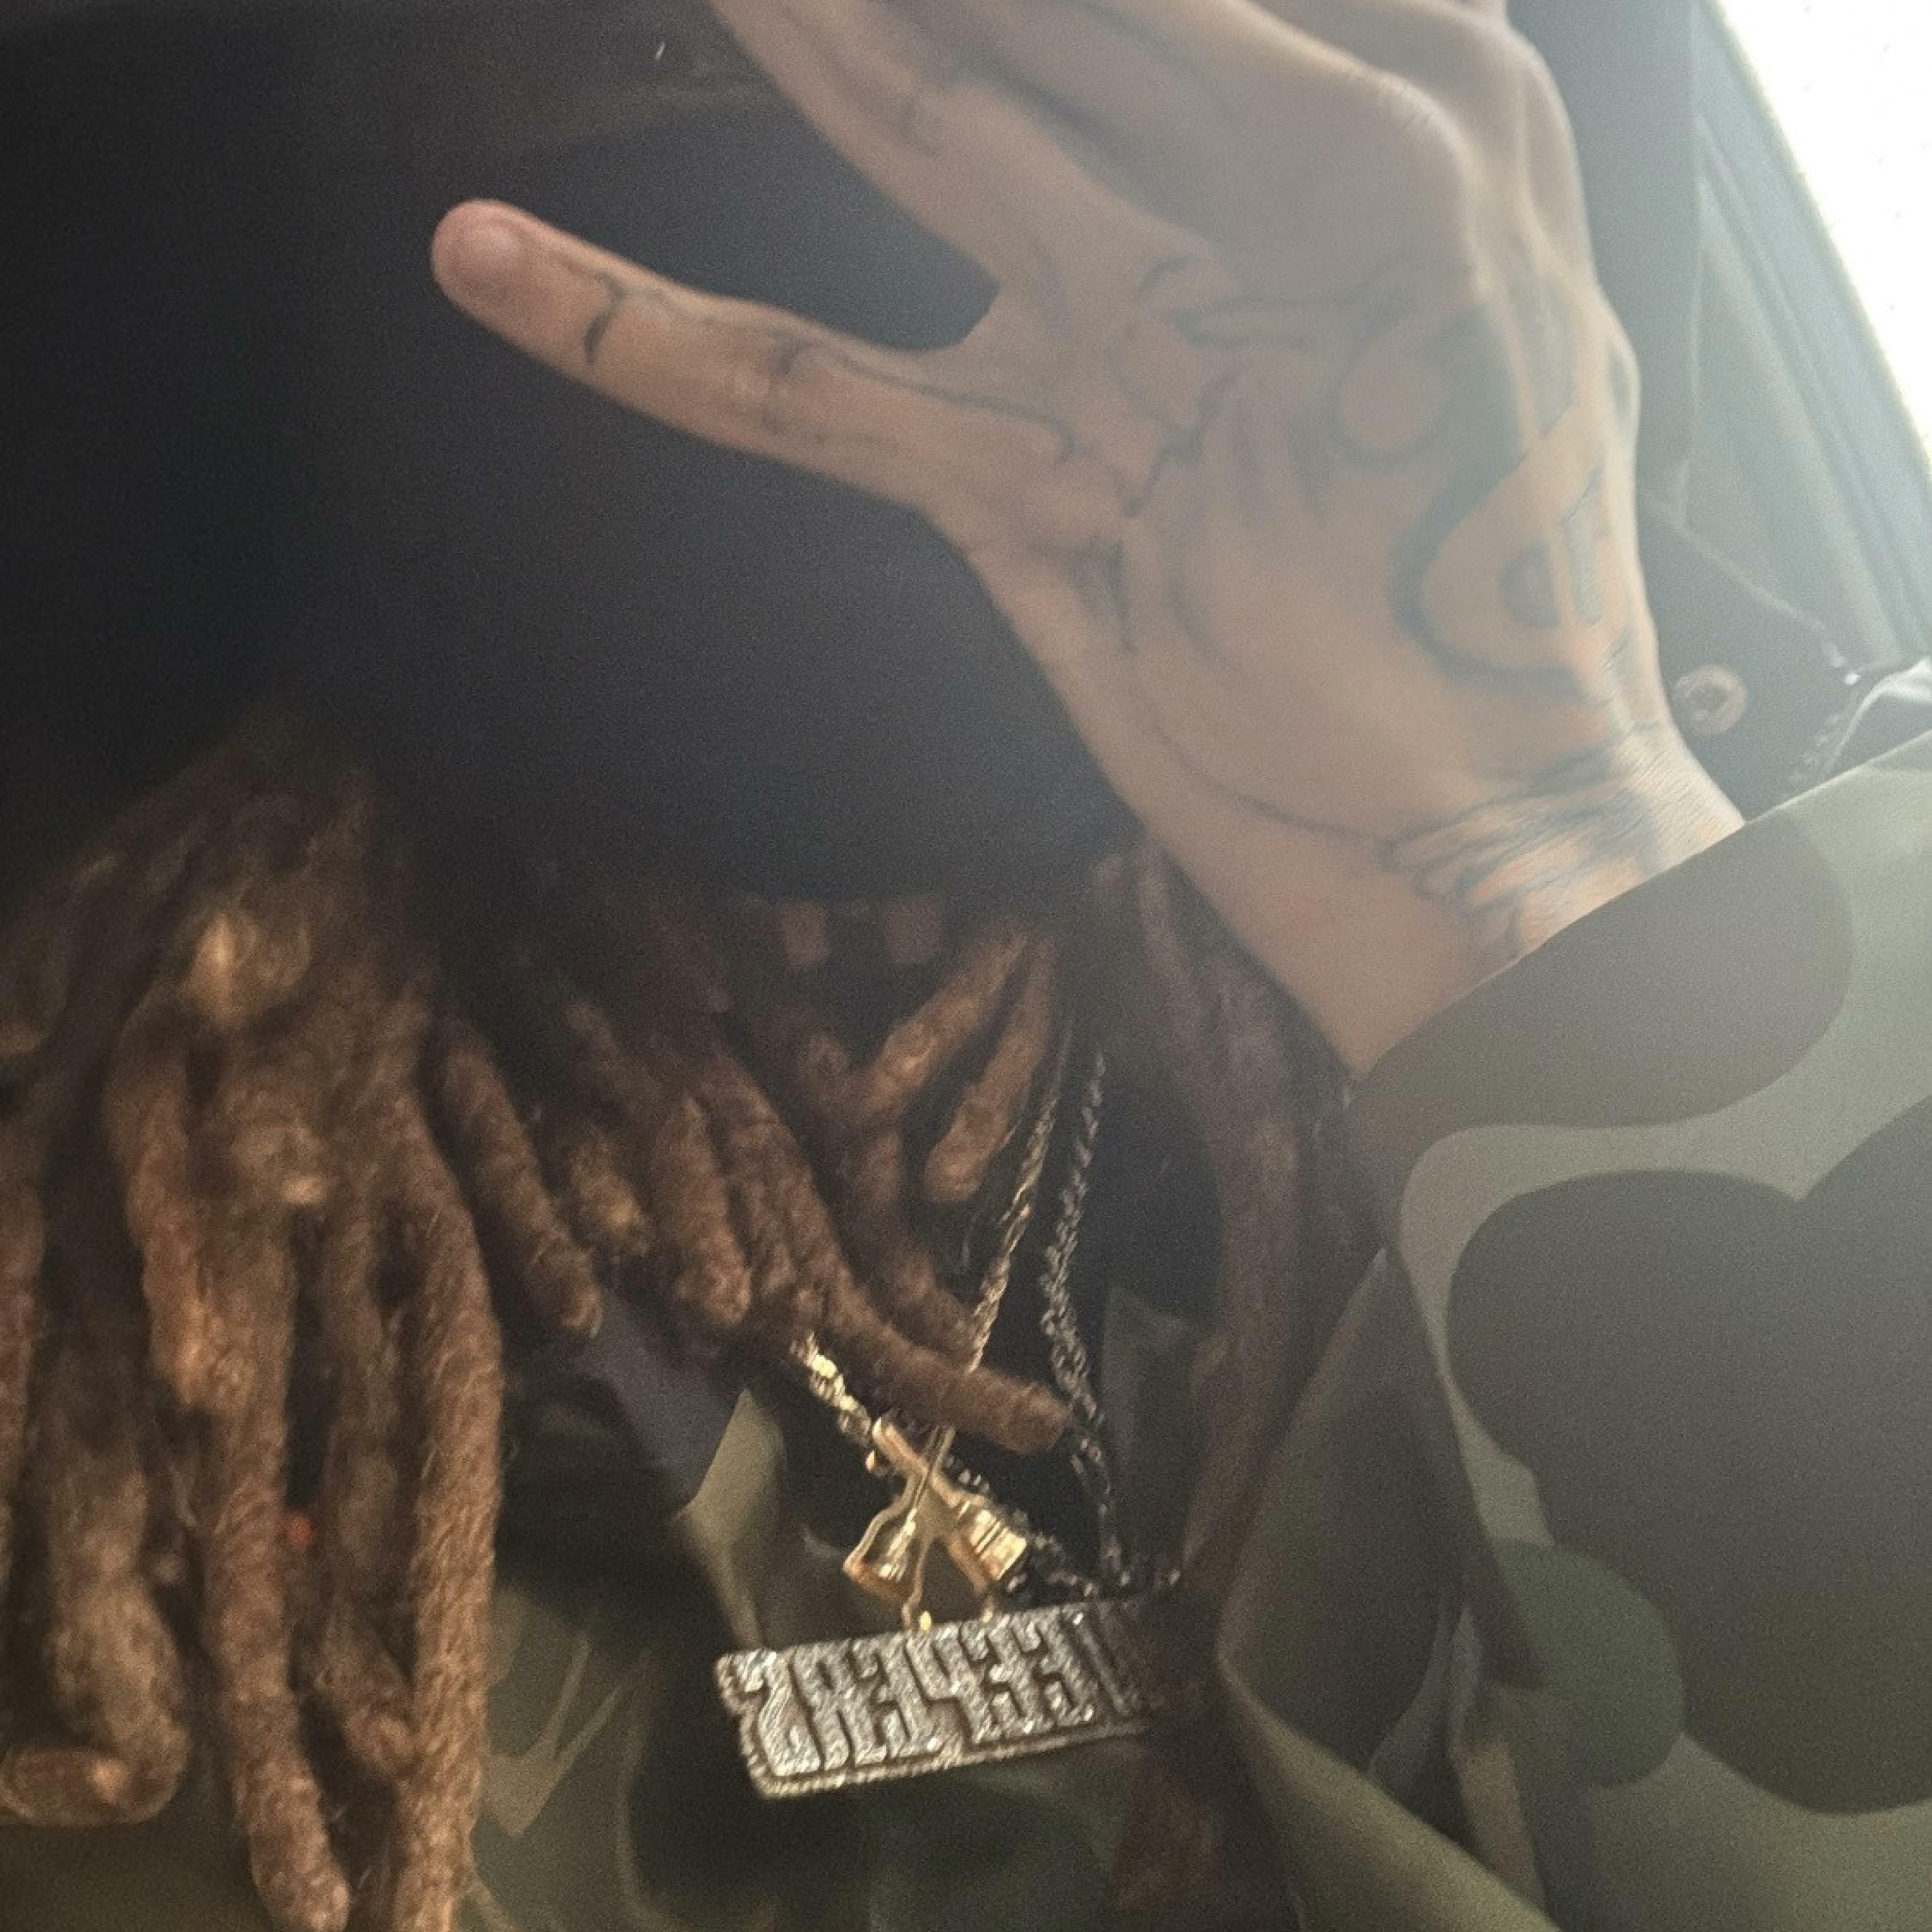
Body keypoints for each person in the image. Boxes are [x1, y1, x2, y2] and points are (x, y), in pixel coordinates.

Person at [0, 5, 1926, 1932]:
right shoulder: (123, 1268)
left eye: (1106, 69)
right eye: (663, 57)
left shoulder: (1829, 880)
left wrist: (1549, 877)